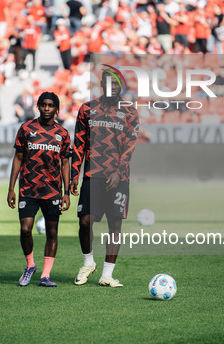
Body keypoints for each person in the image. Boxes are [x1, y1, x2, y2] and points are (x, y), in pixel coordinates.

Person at [71, 67, 139, 287]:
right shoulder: (87, 109)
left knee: (115, 225)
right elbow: (79, 143)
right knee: (85, 222)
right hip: (93, 174)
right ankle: (88, 262)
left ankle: (107, 274)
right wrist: (74, 173)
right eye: (109, 83)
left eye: (117, 83)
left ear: (121, 86)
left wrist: (118, 171)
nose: (113, 87)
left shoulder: (129, 112)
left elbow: (129, 147)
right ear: (101, 85)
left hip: (119, 178)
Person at [8, 92, 72, 287]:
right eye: (43, 105)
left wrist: (66, 192)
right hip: (28, 188)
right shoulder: (26, 129)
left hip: (52, 191)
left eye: (50, 105)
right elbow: (18, 158)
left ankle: (45, 275)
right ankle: (30, 265)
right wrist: (11, 188)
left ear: (56, 109)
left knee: (52, 232)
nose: (46, 108)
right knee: (25, 229)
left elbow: (65, 164)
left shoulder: (62, 134)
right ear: (38, 106)